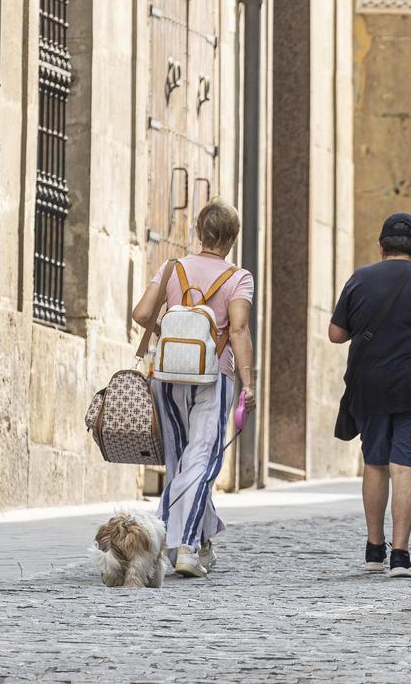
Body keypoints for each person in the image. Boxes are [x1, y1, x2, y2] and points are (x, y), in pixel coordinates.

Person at [131, 198, 256, 578]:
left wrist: (166, 330)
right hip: (214, 375)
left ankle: (201, 539)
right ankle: (183, 546)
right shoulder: (238, 277)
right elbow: (238, 329)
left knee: (180, 461)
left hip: (168, 375)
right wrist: (248, 382)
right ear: (233, 237)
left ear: (198, 232)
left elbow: (141, 314)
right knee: (202, 460)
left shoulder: (172, 268)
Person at [329, 213, 411, 578]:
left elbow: (336, 334)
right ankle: (400, 554)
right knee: (405, 465)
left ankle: (373, 548)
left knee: (375, 463)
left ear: (381, 247)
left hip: (370, 384)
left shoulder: (360, 279)